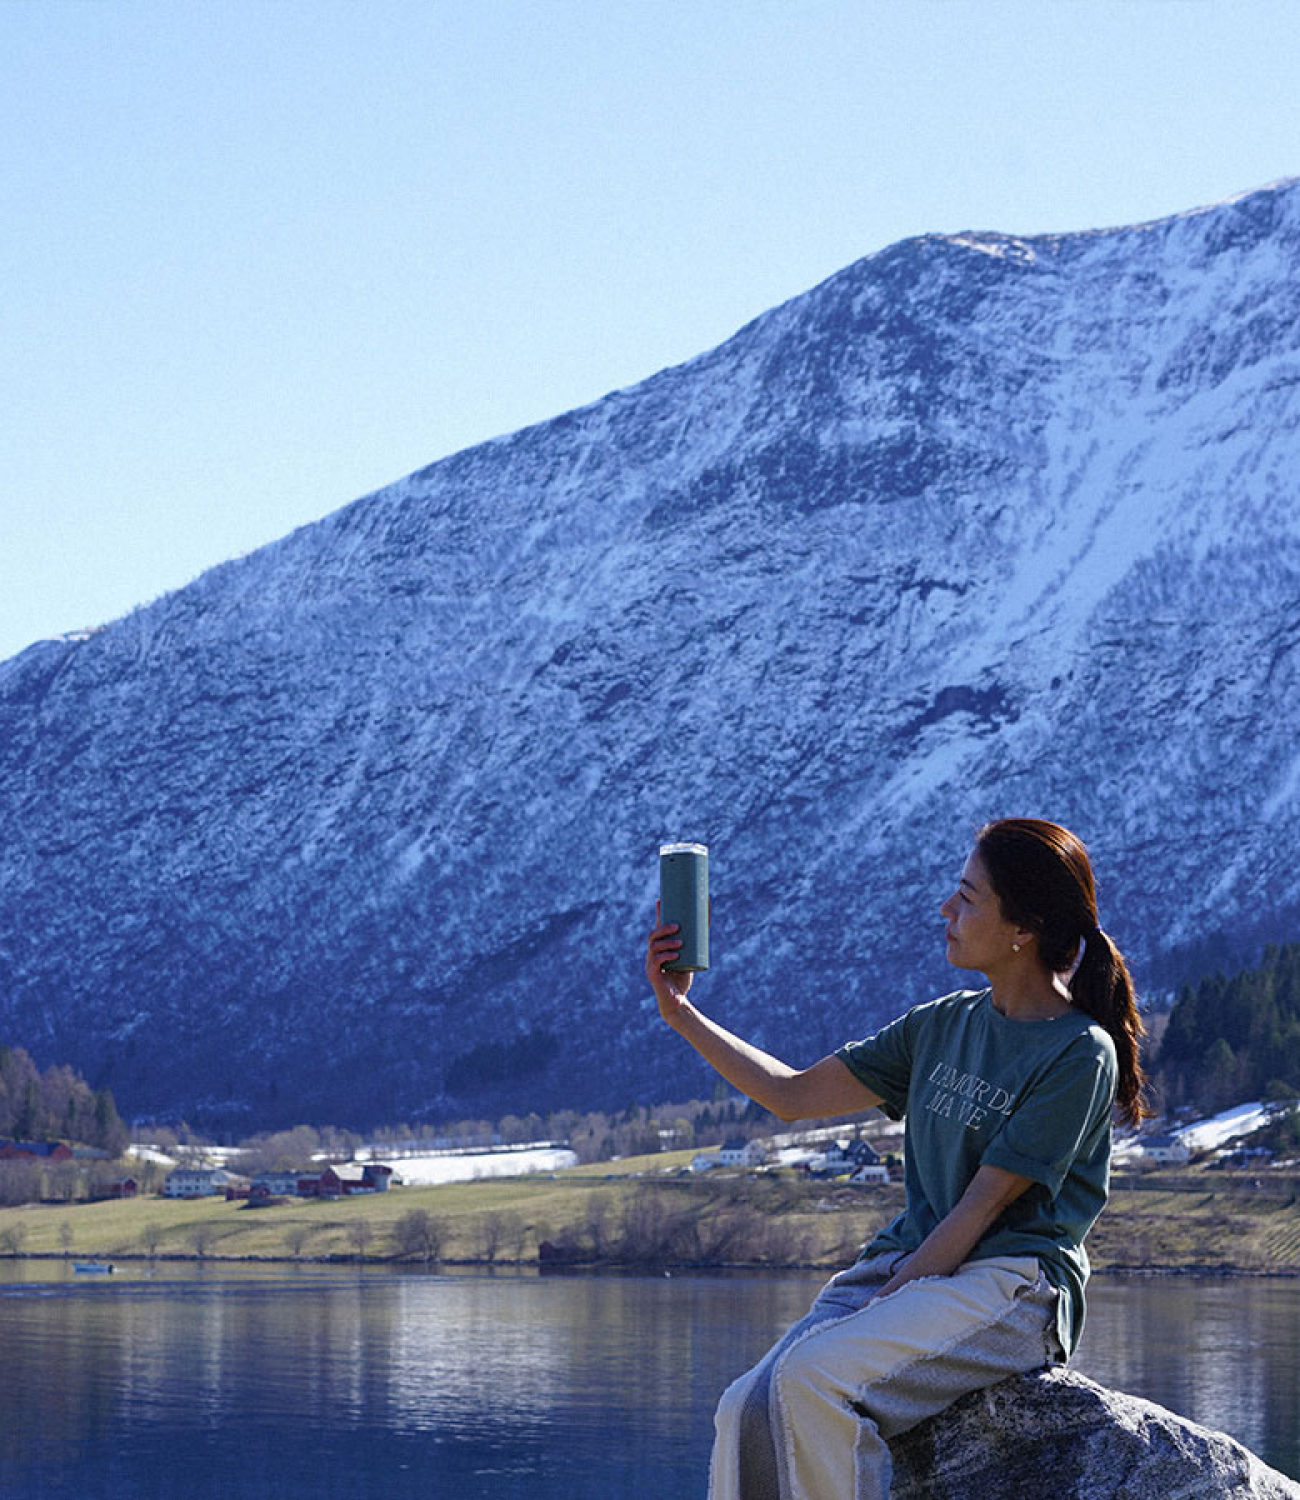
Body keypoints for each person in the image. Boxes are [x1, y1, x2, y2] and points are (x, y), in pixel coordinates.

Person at [644, 818, 1149, 1500]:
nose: (947, 909)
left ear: (1022, 928)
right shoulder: (943, 1023)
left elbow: (983, 1204)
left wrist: (884, 1301)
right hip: (915, 1265)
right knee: (745, 1403)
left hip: (1014, 1284)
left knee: (815, 1379)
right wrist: (678, 1012)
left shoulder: (1079, 1052)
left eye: (968, 898)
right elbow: (791, 1096)